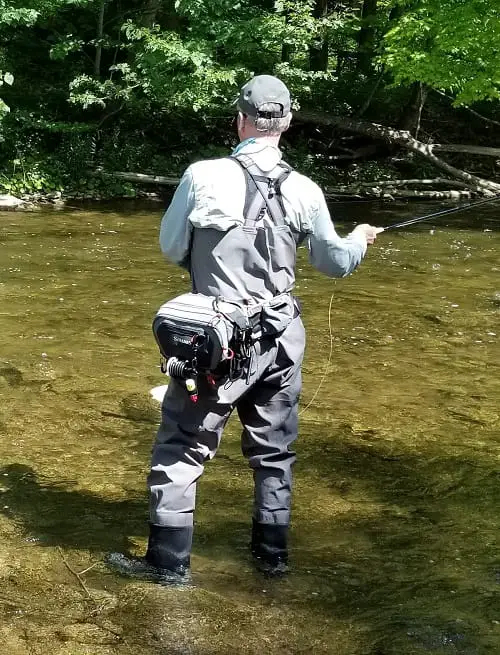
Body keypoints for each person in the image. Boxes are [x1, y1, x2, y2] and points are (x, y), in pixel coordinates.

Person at [106, 74, 382, 584]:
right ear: (289, 122)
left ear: (240, 120)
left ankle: (167, 568)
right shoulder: (305, 188)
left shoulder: (203, 175)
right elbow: (335, 263)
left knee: (183, 448)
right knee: (275, 452)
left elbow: (171, 249)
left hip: (214, 340)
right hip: (280, 336)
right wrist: (360, 238)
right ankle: (271, 561)